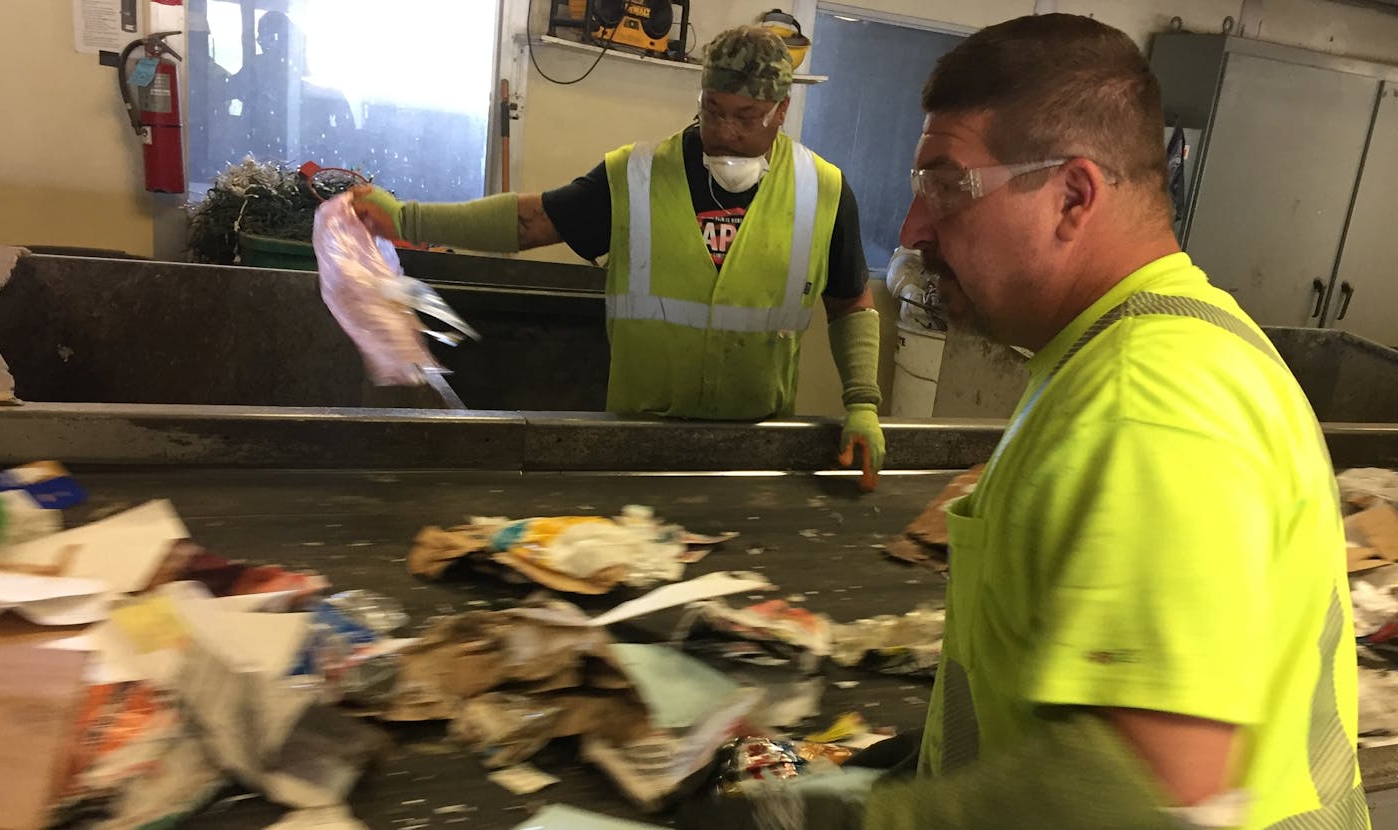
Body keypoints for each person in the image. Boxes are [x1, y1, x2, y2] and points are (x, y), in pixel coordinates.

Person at [854, 13, 1364, 830]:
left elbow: (1147, 788)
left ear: (1073, 196)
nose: (916, 229)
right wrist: (947, 761)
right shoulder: (1143, 344)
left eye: (947, 186)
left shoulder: (1151, 401)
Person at [353, 26, 885, 489]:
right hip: (637, 440)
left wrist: (862, 402)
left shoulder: (823, 191)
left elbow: (850, 303)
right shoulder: (639, 175)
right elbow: (532, 220)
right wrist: (408, 220)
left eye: (747, 116)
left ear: (781, 111)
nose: (725, 132)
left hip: (754, 449)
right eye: (714, 111)